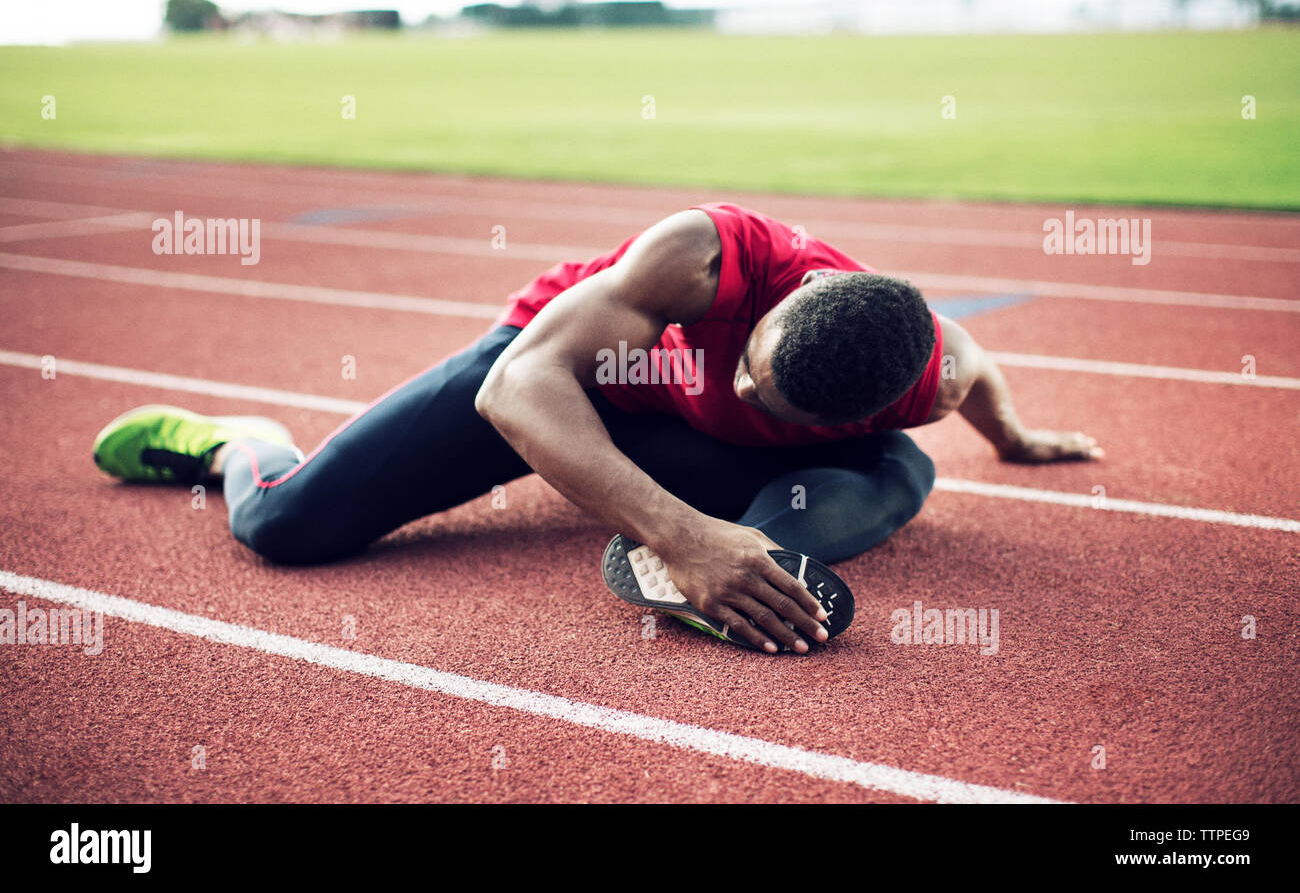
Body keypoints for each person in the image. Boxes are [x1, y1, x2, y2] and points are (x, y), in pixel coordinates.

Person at [93, 203, 1102, 654]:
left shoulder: (925, 375)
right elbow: (518, 387)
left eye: (778, 412)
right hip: (580, 390)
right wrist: (679, 532)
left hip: (711, 456)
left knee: (900, 474)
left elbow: (975, 376)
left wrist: (1014, 439)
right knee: (286, 528)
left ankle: (755, 556)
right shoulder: (701, 257)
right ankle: (237, 444)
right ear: (772, 310)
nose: (747, 396)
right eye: (752, 372)